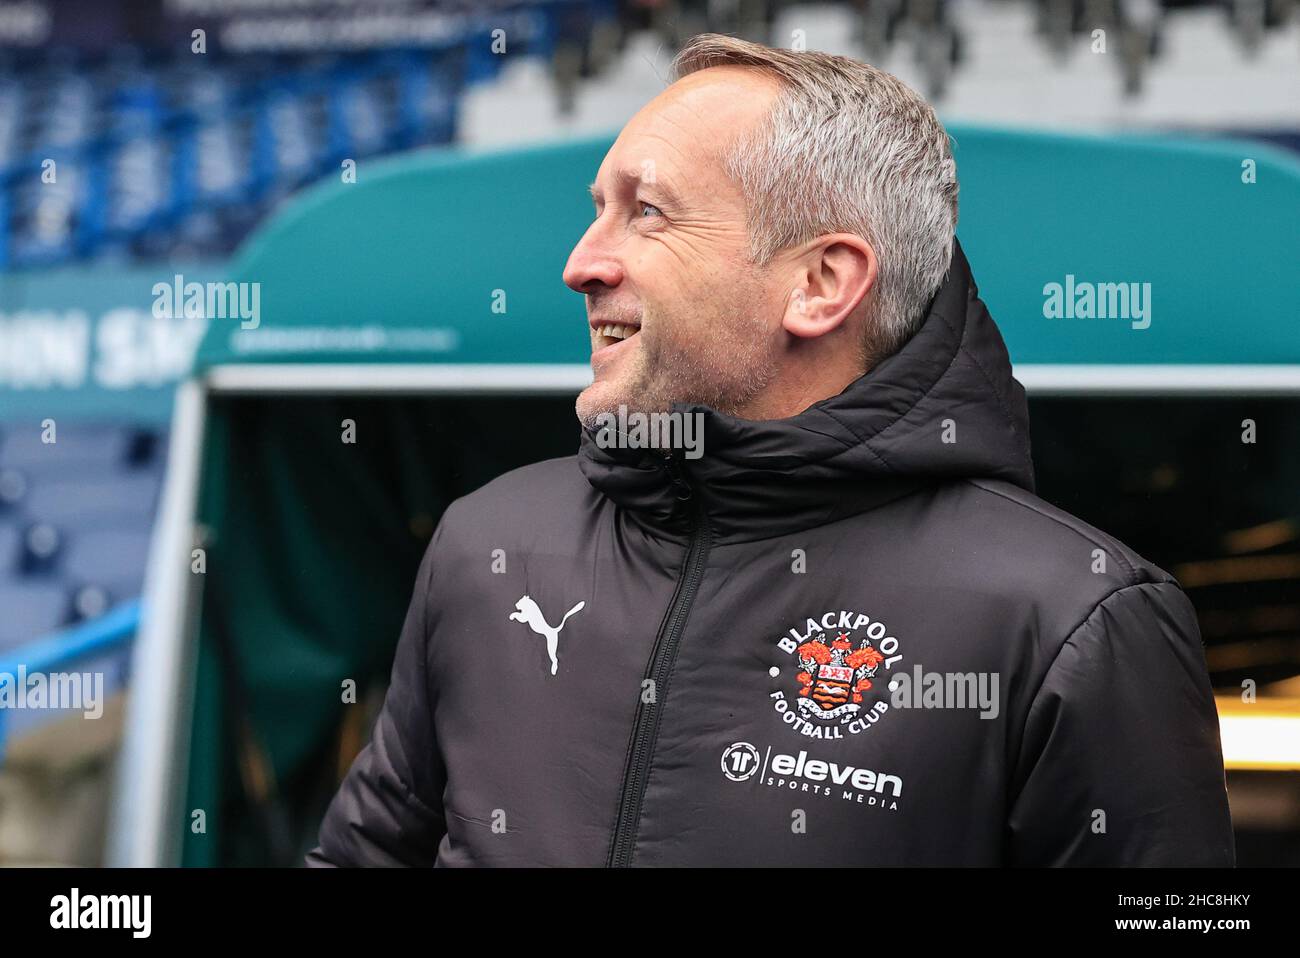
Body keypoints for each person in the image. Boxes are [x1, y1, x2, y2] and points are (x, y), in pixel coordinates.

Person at [306, 33, 1233, 867]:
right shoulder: (491, 544)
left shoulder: (1075, 616)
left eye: (649, 212)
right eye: (598, 209)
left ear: (821, 283)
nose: (581, 263)